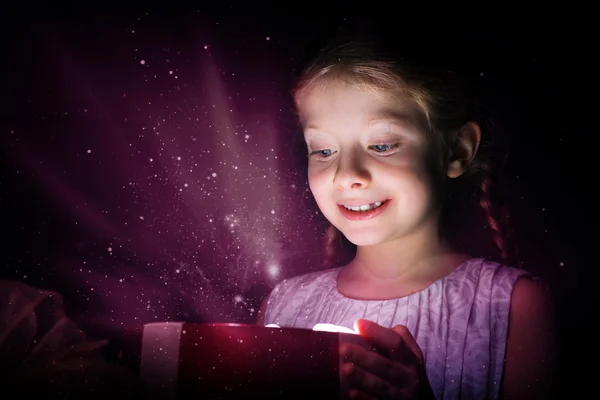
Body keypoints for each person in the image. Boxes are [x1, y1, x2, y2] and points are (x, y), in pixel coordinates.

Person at [256, 29, 557, 400]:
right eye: (323, 151)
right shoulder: (284, 306)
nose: (347, 175)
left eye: (381, 145)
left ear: (457, 151)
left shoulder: (513, 307)